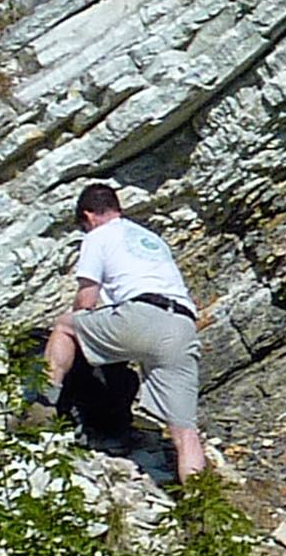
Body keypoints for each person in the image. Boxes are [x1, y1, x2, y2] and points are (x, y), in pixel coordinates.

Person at [44, 183, 204, 479]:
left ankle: (43, 404)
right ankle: (203, 504)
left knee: (66, 326)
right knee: (185, 433)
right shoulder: (151, 238)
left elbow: (87, 299)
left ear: (89, 216)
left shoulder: (99, 236)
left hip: (141, 315)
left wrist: (87, 336)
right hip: (182, 324)